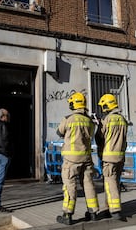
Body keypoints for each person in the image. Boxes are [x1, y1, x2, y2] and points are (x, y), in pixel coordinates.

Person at [56, 92, 99, 225]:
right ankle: (93, 212)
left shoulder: (68, 119)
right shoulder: (89, 121)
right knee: (88, 184)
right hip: (86, 158)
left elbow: (59, 132)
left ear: (73, 104)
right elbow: (91, 134)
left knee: (70, 186)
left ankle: (67, 215)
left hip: (71, 159)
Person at [95, 94, 128, 221]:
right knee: (115, 183)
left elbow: (100, 137)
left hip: (109, 156)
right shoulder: (123, 119)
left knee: (110, 183)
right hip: (120, 156)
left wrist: (99, 124)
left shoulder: (107, 119)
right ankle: (109, 207)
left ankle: (115, 210)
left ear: (106, 105)